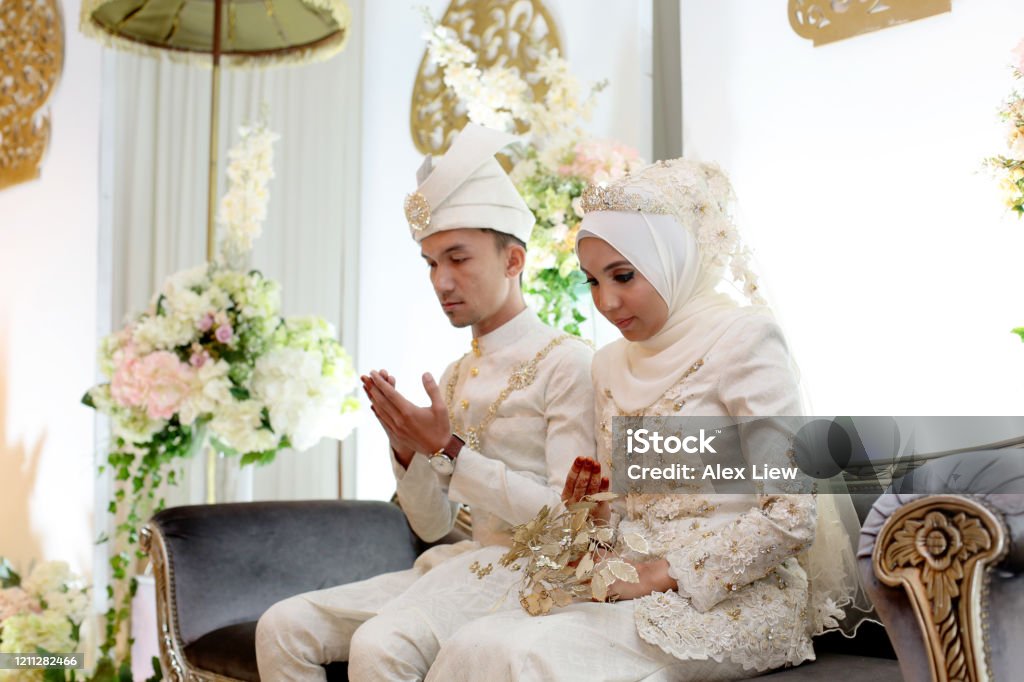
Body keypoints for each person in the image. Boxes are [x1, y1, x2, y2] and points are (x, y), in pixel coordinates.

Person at [426, 158, 866, 681]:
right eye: (592, 280)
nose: (606, 301)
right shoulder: (609, 363)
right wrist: (586, 524)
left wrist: (661, 573)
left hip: (734, 595)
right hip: (627, 581)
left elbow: (791, 515)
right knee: (471, 644)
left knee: (533, 657)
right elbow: (619, 513)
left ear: (670, 259)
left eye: (623, 275)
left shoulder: (744, 340)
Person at [254, 123, 595, 681]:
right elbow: (434, 525)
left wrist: (450, 449)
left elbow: (567, 522)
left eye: (457, 258)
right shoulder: (455, 375)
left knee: (380, 646)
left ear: (514, 261)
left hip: (534, 573)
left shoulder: (568, 362)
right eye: (431, 263)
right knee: (282, 626)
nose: (441, 281)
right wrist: (408, 450)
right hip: (457, 565)